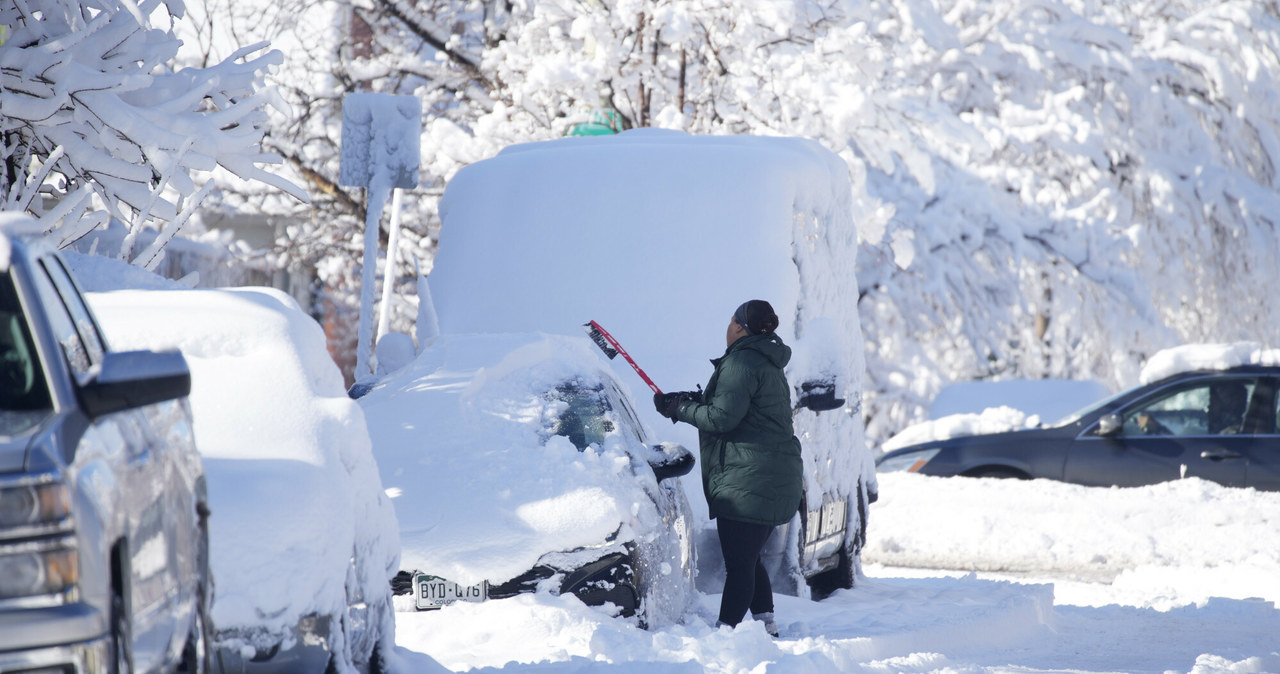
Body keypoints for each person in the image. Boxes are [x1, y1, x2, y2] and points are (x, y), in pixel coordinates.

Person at [653, 300, 804, 637]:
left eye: (730, 321)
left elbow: (722, 418)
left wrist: (680, 410)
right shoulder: (765, 361)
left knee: (739, 565)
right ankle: (766, 625)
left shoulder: (741, 362)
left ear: (738, 326)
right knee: (749, 559)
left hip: (748, 479)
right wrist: (691, 402)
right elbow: (739, 410)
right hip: (769, 477)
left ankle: (726, 636)